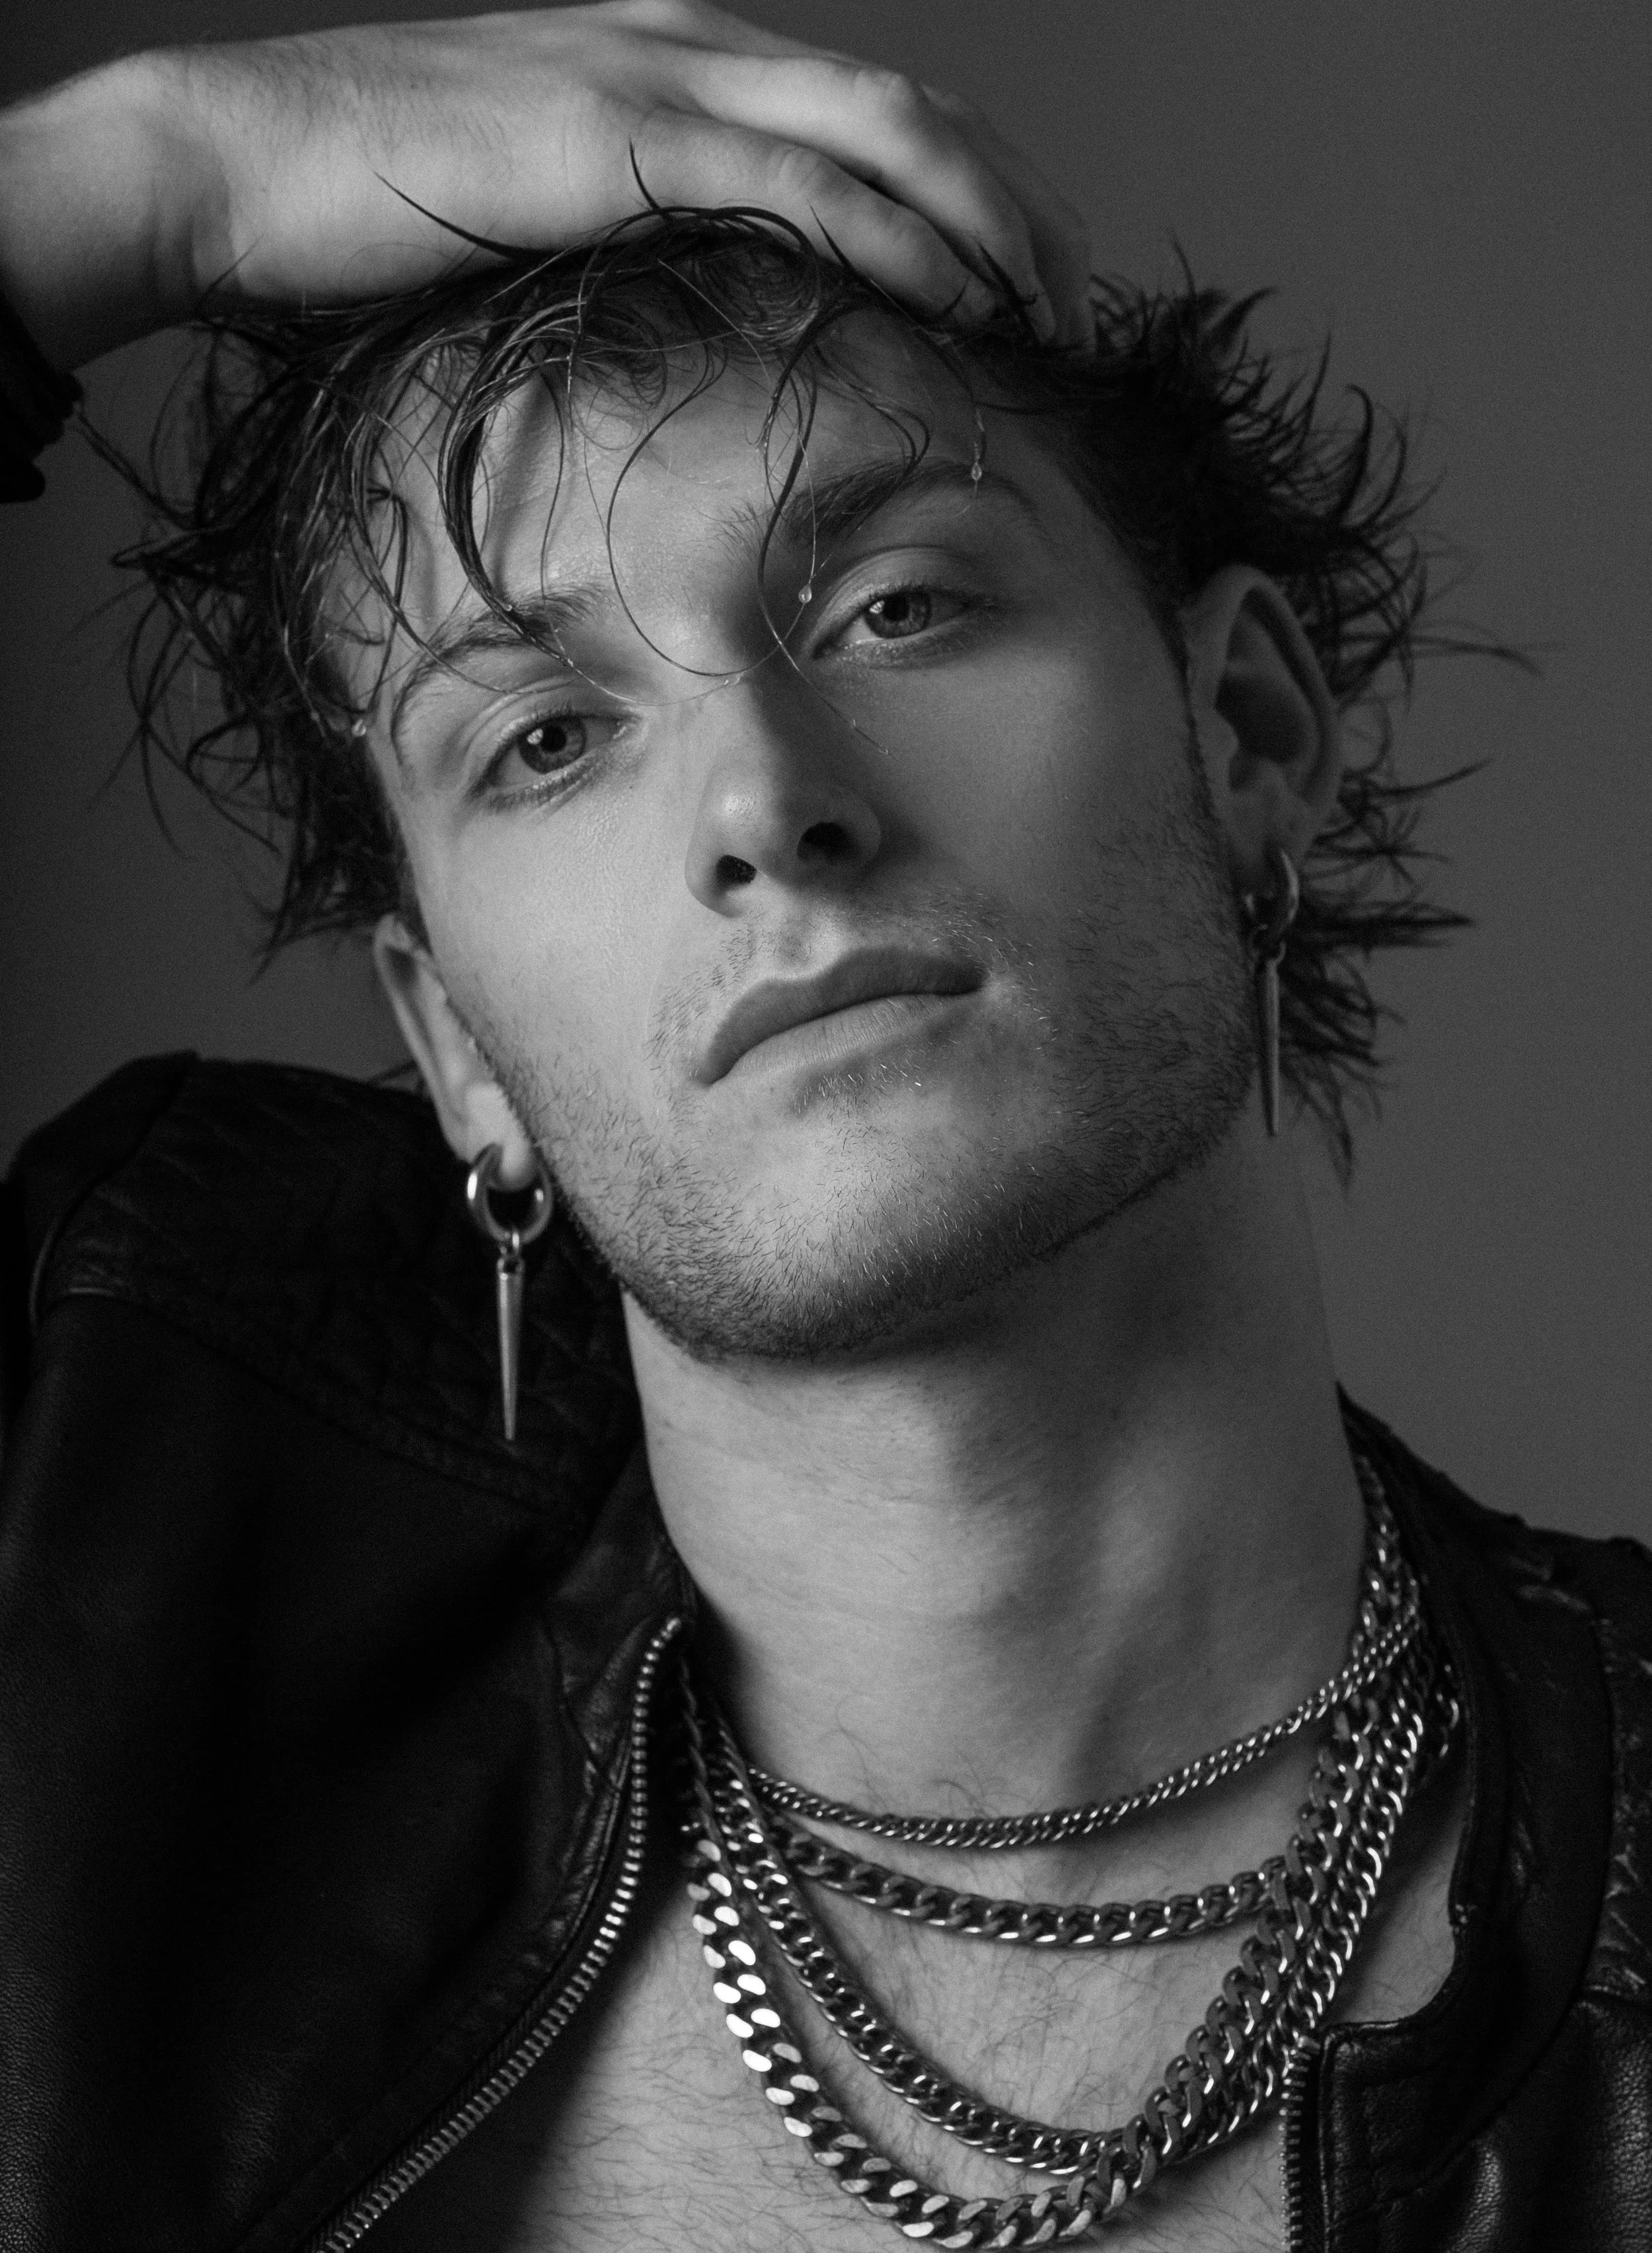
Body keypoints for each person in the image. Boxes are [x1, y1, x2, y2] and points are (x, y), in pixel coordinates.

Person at [0, 6, 1647, 2249]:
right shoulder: (98, 1513)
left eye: (896, 604)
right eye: (549, 739)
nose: (767, 802)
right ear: (454, 1042)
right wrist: (149, 177)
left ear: (1245, 731)